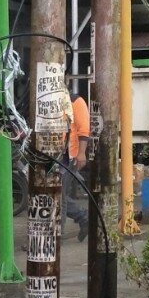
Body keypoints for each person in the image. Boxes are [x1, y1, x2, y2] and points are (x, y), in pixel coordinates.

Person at [62, 91, 92, 242]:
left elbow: (84, 130)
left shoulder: (76, 101)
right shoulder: (50, 103)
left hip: (69, 156)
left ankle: (55, 236)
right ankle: (83, 216)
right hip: (53, 155)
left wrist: (81, 153)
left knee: (58, 196)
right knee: (56, 195)